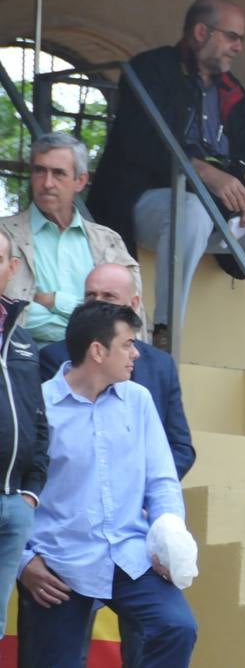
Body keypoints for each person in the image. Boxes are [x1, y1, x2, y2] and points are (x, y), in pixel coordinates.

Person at [87, 0, 245, 368]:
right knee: (189, 205)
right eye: (231, 37)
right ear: (201, 31)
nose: (238, 47)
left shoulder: (231, 88)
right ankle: (164, 332)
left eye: (241, 39)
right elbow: (140, 141)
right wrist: (203, 172)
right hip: (146, 204)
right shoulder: (151, 69)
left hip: (214, 213)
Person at [17, 300, 196, 668]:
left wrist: (168, 536)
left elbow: (162, 480)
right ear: (97, 351)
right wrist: (25, 562)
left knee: (177, 627)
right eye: (127, 344)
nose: (136, 354)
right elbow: (11, 491)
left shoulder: (139, 400)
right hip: (57, 564)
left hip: (129, 554)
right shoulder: (38, 406)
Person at [39, 263, 195, 478]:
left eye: (109, 296)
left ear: (134, 303)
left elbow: (180, 448)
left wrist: (143, 493)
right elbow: (45, 447)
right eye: (90, 296)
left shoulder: (161, 365)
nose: (98, 303)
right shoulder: (54, 358)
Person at [0, 132, 145, 343]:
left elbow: (129, 315)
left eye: (58, 173)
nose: (47, 183)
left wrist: (56, 301)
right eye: (40, 171)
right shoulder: (4, 235)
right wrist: (87, 328)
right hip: (24, 367)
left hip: (97, 370)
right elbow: (17, 319)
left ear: (80, 181)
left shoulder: (108, 242)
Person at [0, 227, 50, 639]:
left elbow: (37, 419)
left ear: (11, 268)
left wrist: (31, 492)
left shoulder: (24, 340)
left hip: (14, 505)